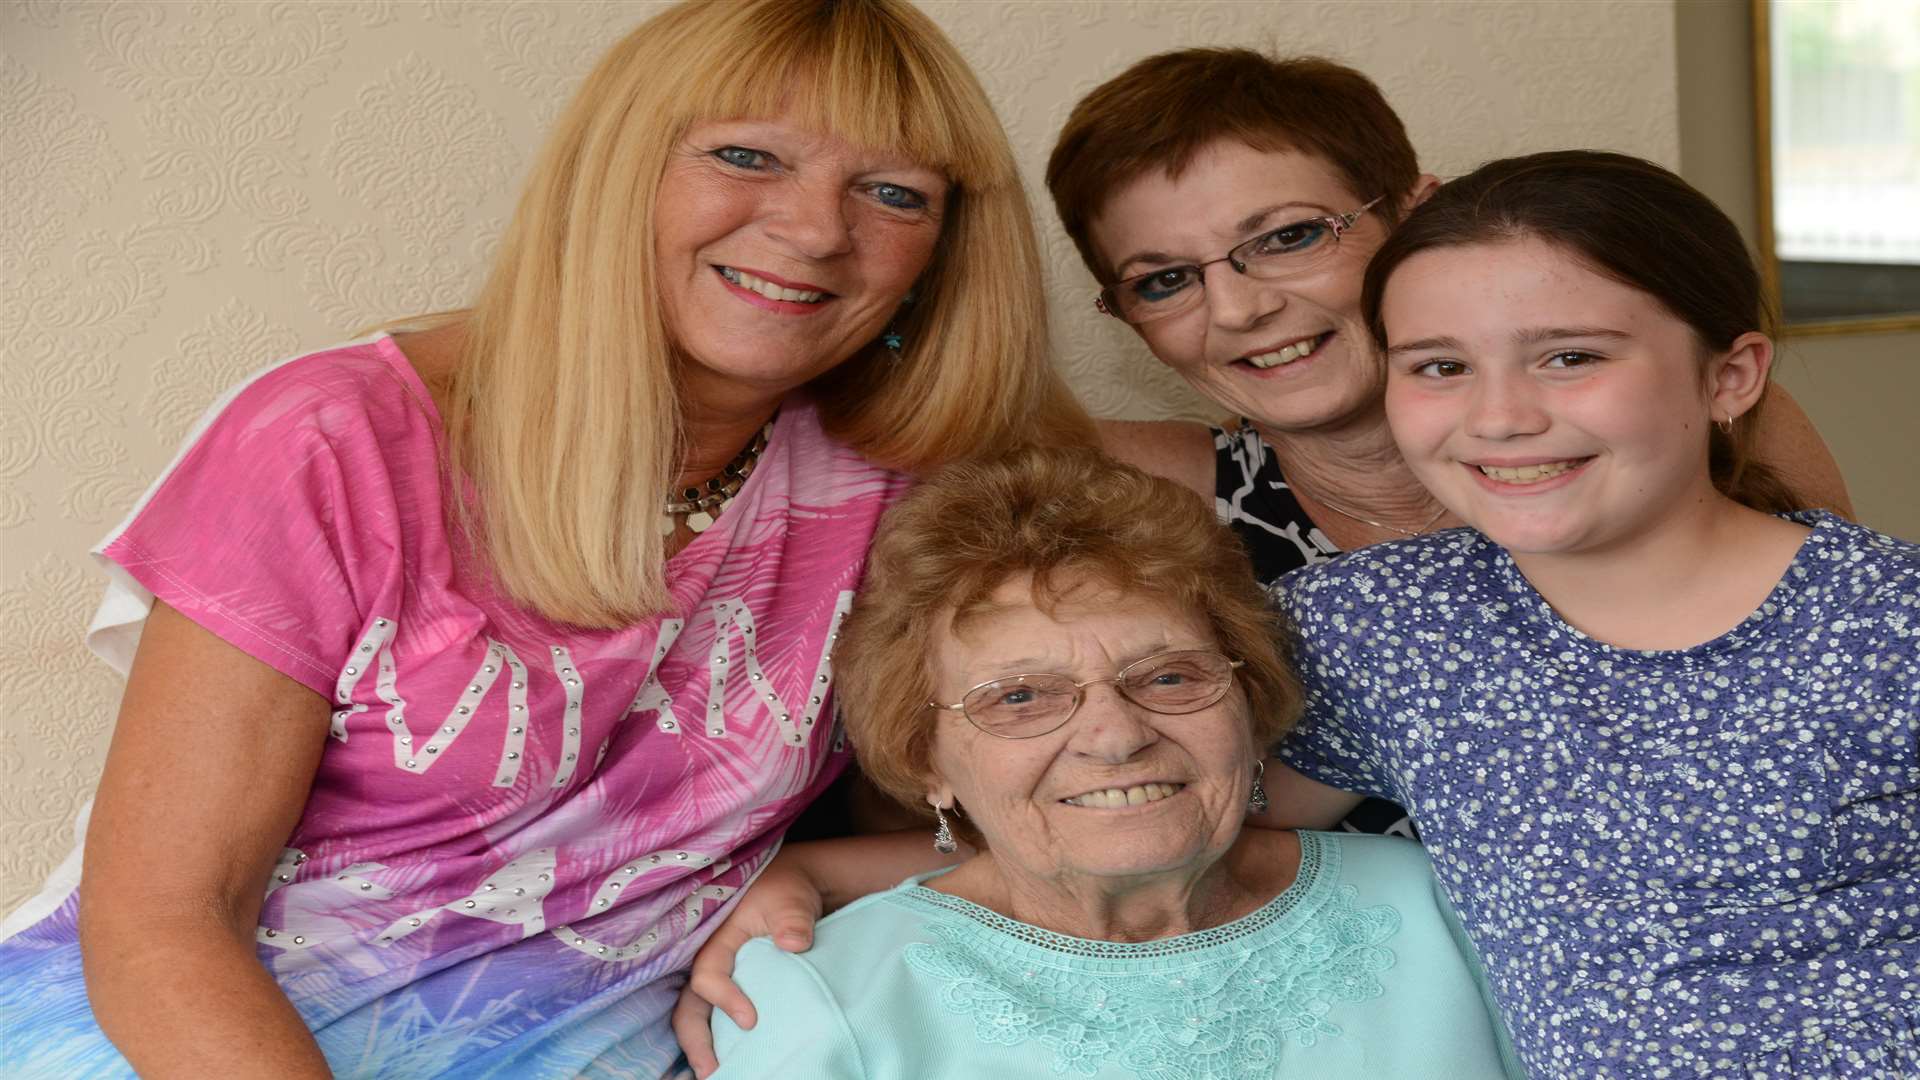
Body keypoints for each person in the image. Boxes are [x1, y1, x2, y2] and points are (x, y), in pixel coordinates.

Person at [0, 1, 1091, 1076]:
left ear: (939, 255)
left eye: (895, 193)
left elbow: (1115, 781)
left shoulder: (914, 480)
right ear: (620, 174)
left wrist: (821, 870)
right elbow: (163, 921)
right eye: (746, 155)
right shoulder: (335, 440)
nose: (815, 229)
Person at [1047, 49, 1856, 839]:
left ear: (1417, 216)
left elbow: (1836, 707)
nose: (1234, 310)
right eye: (1163, 280)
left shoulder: (1687, 425)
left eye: (1291, 237)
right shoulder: (1140, 494)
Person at [1265, 150, 1920, 1078]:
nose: (1498, 417)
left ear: (1731, 376)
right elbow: (1190, 816)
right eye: (1439, 365)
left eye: (1569, 357)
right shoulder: (1380, 627)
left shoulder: (1894, 625)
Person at [705, 447, 1523, 1078]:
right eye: (1020, 696)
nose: (1115, 735)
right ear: (930, 762)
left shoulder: (1436, 902)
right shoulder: (818, 990)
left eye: (1168, 677)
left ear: (1248, 703)